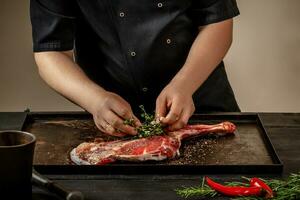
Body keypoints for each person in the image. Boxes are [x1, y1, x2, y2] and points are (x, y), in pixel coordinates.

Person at [30, 0, 240, 137]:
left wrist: (184, 85)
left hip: (201, 103)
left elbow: (218, 23)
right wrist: (95, 99)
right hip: (115, 121)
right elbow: (51, 52)